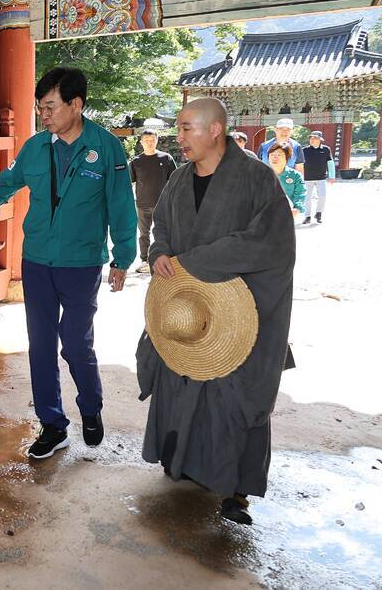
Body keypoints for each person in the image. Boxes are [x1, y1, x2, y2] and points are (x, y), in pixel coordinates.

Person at [0, 67, 137, 459]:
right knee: (40, 345)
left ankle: (90, 406)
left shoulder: (106, 148)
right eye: (40, 107)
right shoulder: (36, 148)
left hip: (81, 263)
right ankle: (53, 425)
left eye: (51, 106)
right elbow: (1, 188)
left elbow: (121, 204)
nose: (44, 115)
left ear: (76, 105)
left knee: (74, 343)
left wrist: (123, 257)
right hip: (37, 260)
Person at [138, 97, 295, 525]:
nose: (179, 137)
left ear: (215, 130)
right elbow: (162, 227)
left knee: (234, 394)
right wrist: (160, 253)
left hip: (239, 311)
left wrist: (198, 263)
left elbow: (272, 244)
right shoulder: (179, 178)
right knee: (182, 379)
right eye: (179, 128)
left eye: (188, 128)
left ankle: (234, 489)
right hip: (188, 310)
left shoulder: (257, 179)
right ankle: (185, 465)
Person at [130, 129, 177, 273]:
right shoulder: (136, 162)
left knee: (164, 233)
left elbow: (174, 181)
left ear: (157, 141)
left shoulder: (166, 158)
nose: (150, 143)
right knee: (144, 234)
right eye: (146, 140)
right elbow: (128, 183)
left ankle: (165, 259)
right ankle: (145, 260)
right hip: (143, 204)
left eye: (152, 140)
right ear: (141, 142)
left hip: (163, 204)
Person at [301, 131, 335, 224]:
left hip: (321, 178)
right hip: (307, 178)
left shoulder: (326, 149)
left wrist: (332, 176)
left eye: (315, 138)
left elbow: (330, 163)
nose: (312, 140)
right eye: (311, 138)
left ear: (320, 140)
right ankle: (307, 216)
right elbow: (299, 164)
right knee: (307, 198)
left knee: (322, 196)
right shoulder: (304, 150)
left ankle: (318, 213)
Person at [268, 143, 306, 220]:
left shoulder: (295, 176)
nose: (274, 157)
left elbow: (300, 194)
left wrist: (297, 209)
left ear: (287, 158)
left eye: (279, 155)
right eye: (271, 155)